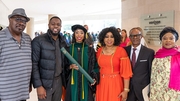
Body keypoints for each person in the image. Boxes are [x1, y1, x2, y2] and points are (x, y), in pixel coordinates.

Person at [31, 16, 68, 101]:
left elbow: (65, 61)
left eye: (58, 24)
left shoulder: (63, 41)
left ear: (60, 26)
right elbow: (34, 64)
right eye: (53, 24)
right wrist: (39, 86)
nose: (55, 26)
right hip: (45, 83)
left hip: (59, 81)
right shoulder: (38, 40)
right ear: (48, 25)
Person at [0, 8, 32, 101]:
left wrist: (29, 84)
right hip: (5, 95)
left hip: (22, 93)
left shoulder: (27, 38)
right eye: (17, 19)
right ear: (10, 19)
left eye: (24, 21)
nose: (21, 23)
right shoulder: (1, 37)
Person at [96, 27, 133, 101]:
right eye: (106, 37)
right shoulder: (99, 51)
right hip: (101, 84)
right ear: (103, 38)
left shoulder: (121, 51)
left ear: (115, 38)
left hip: (115, 84)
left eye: (112, 37)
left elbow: (126, 73)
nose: (109, 39)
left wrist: (125, 90)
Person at [65, 24, 99, 101]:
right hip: (73, 81)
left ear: (84, 35)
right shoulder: (68, 49)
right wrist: (70, 67)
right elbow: (63, 65)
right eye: (77, 32)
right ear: (74, 35)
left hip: (86, 82)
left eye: (81, 33)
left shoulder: (90, 50)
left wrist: (94, 77)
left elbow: (95, 66)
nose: (79, 35)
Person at [124, 27, 155, 101]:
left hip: (142, 88)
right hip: (128, 88)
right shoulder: (124, 51)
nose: (135, 37)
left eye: (137, 35)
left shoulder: (149, 52)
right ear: (129, 37)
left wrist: (151, 90)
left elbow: (151, 71)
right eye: (132, 35)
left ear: (141, 36)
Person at [150, 27, 180, 101]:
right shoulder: (157, 54)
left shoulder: (178, 55)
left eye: (171, 38)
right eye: (165, 38)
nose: (168, 41)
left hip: (173, 93)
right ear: (161, 40)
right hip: (156, 92)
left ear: (175, 40)